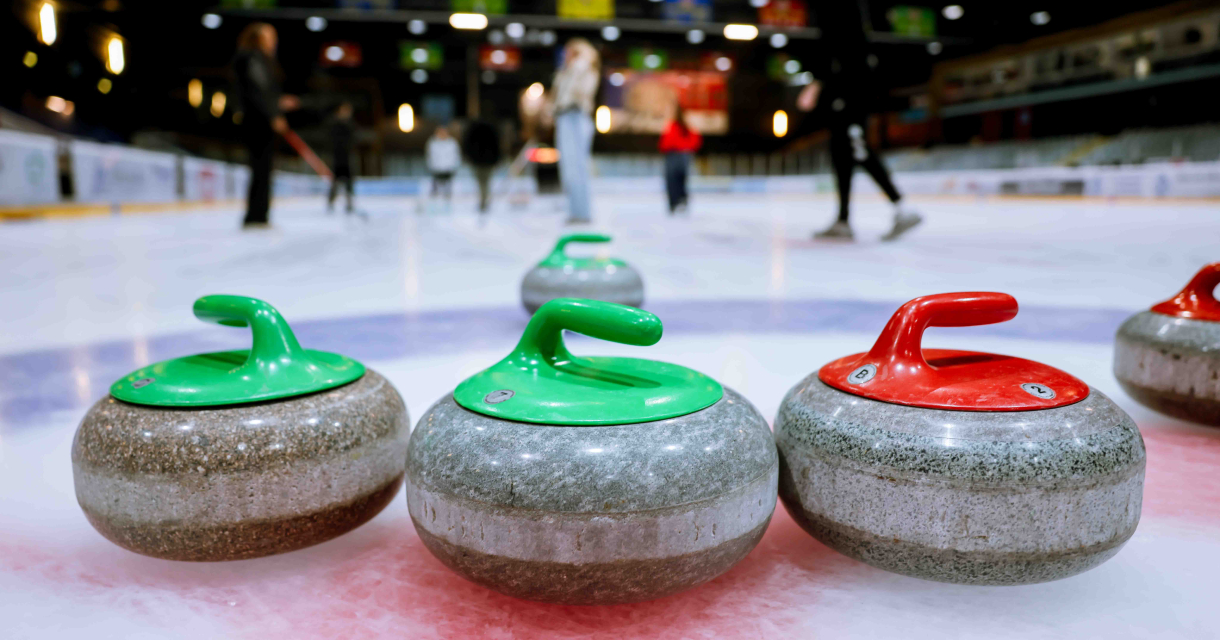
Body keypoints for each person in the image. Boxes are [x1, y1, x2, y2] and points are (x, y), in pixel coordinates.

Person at [791, 3, 922, 242]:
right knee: (841, 153)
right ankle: (843, 221)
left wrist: (818, 84)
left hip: (851, 89)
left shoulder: (842, 13)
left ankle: (902, 208)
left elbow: (842, 45)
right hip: (847, 86)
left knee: (857, 148)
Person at [232, 22, 298, 229]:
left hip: (261, 120)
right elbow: (256, 90)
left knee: (264, 168)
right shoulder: (252, 57)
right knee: (260, 167)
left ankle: (260, 214)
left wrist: (279, 102)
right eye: (269, 36)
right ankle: (255, 216)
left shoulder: (261, 60)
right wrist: (273, 115)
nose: (273, 41)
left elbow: (264, 92)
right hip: (258, 122)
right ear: (258, 37)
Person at [550, 38, 600, 225]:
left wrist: (576, 68)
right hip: (565, 117)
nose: (565, 56)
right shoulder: (566, 71)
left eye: (568, 52)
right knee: (568, 168)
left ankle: (583, 213)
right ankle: (575, 211)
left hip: (576, 116)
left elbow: (579, 94)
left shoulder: (584, 69)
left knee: (578, 167)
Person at [658, 105, 702, 214]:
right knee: (681, 180)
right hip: (684, 156)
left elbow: (664, 144)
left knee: (672, 180)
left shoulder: (673, 127)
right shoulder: (687, 128)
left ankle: (675, 203)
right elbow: (696, 141)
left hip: (674, 155)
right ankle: (682, 200)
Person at [462, 118, 502, 213]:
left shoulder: (473, 131)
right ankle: (485, 200)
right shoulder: (491, 131)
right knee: (486, 183)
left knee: (482, 183)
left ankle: (484, 201)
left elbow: (468, 146)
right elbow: (497, 147)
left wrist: (470, 158)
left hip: (478, 162)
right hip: (488, 162)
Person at [327, 101, 356, 215]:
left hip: (347, 158)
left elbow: (353, 140)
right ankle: (331, 202)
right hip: (337, 158)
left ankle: (349, 203)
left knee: (349, 181)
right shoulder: (334, 124)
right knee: (335, 182)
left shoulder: (351, 125)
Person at [426, 125, 460, 201]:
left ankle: (447, 203)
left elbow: (456, 155)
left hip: (448, 168)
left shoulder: (452, 143)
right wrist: (431, 166)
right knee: (435, 189)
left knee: (447, 190)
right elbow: (429, 156)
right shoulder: (432, 142)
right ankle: (434, 204)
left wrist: (455, 166)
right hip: (436, 169)